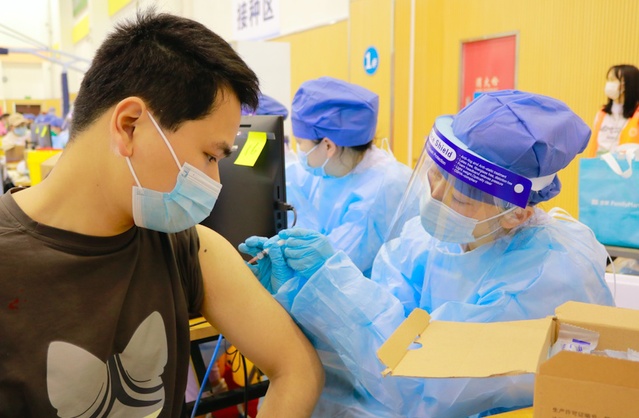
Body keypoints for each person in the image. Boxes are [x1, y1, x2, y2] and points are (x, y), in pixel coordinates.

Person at [0, 10, 323, 418]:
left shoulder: (184, 246)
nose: (214, 181)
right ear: (130, 125)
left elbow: (298, 368)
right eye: (209, 156)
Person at [242, 90, 616, 417]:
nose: (436, 198)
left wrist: (332, 283)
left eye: (460, 198)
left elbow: (425, 385)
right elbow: (378, 329)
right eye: (435, 175)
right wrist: (301, 290)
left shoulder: (545, 275)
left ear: (516, 213)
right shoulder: (430, 241)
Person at [278, 77, 412, 277]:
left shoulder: (382, 190)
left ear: (328, 146)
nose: (300, 151)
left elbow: (335, 267)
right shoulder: (332, 169)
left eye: (300, 142)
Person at [584, 64, 639, 157]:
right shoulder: (602, 113)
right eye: (608, 80)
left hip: (627, 165)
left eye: (613, 80)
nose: (609, 84)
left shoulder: (636, 115)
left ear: (628, 84)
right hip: (598, 164)